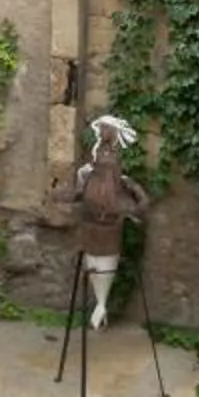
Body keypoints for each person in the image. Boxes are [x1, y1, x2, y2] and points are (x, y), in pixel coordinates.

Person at [74, 113, 148, 328]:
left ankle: (101, 304)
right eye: (102, 128)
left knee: (105, 264)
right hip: (92, 220)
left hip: (111, 220)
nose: (104, 132)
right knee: (93, 263)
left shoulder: (118, 159)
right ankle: (100, 305)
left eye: (108, 128)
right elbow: (83, 182)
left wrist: (134, 203)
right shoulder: (95, 155)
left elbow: (136, 195)